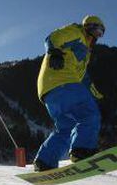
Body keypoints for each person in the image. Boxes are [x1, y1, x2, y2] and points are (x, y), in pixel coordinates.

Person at [33, 15, 105, 171]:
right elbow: (52, 37)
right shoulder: (77, 33)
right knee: (89, 115)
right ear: (88, 27)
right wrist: (54, 52)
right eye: (97, 30)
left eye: (101, 33)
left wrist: (98, 96)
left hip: (49, 91)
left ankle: (45, 162)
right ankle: (82, 151)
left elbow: (84, 79)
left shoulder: (85, 54)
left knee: (66, 127)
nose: (98, 36)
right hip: (62, 82)